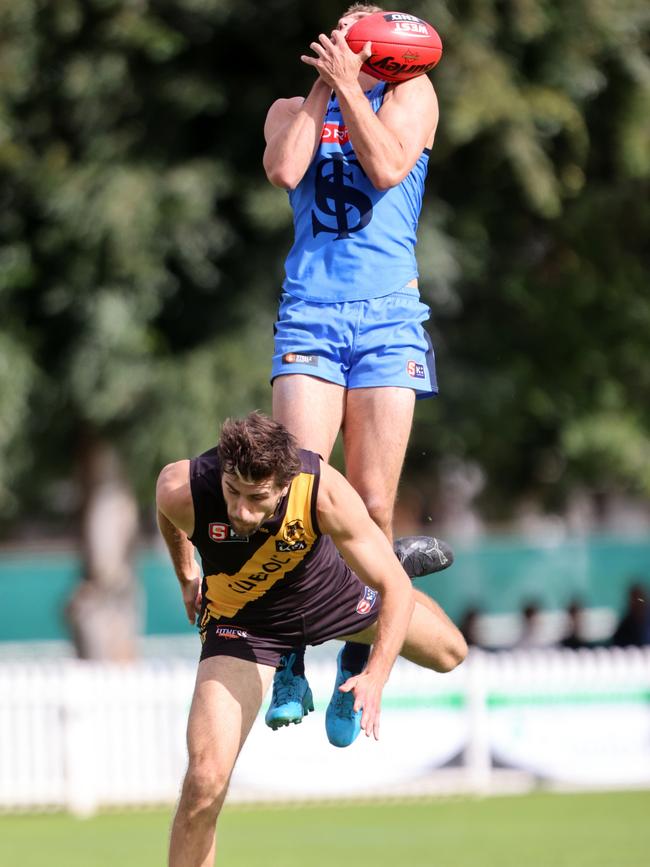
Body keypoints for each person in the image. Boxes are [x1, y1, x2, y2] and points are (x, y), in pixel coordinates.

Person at [157, 411, 466, 867]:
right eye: (233, 492)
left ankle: (384, 571)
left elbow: (395, 592)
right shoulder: (184, 488)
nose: (241, 510)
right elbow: (168, 514)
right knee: (204, 782)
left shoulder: (322, 490)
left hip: (332, 595)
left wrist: (375, 676)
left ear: (284, 484)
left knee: (451, 653)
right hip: (242, 623)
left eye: (257, 497)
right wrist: (186, 573)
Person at [262, 3, 443, 743]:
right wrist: (324, 89)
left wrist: (353, 91)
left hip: (388, 319)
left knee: (370, 504)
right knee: (296, 490)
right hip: (310, 315)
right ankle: (289, 656)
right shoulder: (286, 106)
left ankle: (359, 663)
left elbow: (388, 165)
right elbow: (283, 168)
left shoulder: (412, 95)